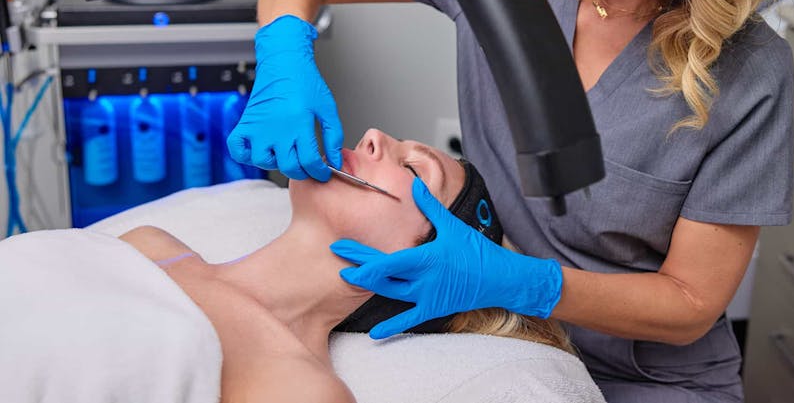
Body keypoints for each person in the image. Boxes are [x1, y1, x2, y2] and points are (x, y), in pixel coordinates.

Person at [226, 0, 794, 401]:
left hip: (650, 377)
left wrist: (520, 279)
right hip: (502, 333)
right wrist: (283, 56)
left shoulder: (750, 71)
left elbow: (692, 300)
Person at [121, 128, 574, 403]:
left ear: (414, 263)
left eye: (415, 171)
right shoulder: (150, 243)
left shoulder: (295, 388)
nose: (373, 135)